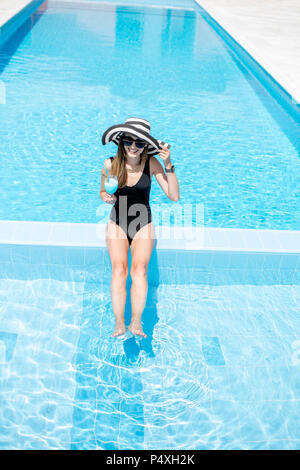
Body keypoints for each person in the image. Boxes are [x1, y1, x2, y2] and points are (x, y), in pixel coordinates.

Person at [100, 117, 179, 338]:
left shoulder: (152, 164)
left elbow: (173, 196)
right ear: (121, 141)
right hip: (118, 220)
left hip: (143, 222)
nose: (133, 146)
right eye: (128, 141)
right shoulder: (109, 164)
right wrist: (105, 196)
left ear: (146, 145)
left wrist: (168, 165)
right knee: (119, 270)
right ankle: (118, 322)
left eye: (140, 142)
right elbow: (102, 192)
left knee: (139, 270)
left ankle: (136, 321)